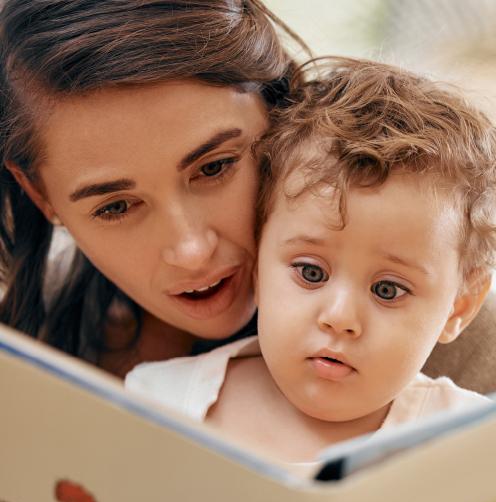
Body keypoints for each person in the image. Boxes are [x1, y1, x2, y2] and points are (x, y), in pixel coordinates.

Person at [0, 1, 495, 392]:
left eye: (215, 167)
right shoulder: (26, 343)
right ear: (41, 196)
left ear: (280, 113)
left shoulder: (462, 340)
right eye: (114, 207)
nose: (191, 250)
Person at [125, 58, 494, 463]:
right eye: (311, 272)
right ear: (258, 262)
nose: (339, 318)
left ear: (459, 305)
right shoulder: (158, 402)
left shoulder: (472, 446)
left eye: (387, 290)